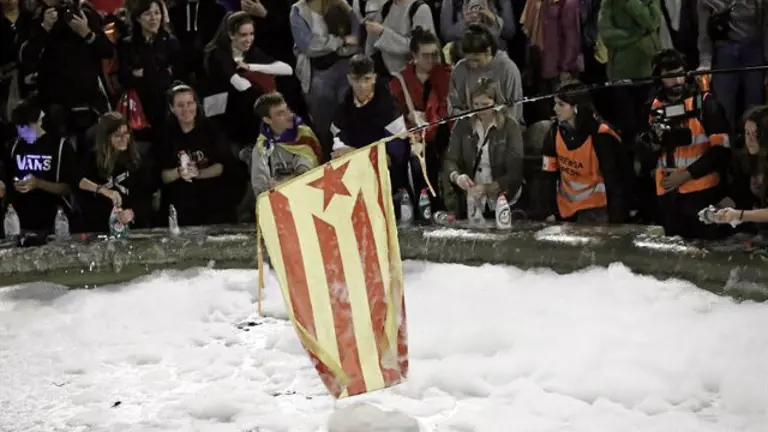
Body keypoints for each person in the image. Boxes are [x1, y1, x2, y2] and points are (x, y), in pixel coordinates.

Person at [645, 49, 731, 239]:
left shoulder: (706, 104)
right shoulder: (653, 107)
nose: (677, 81)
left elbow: (721, 153)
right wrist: (652, 144)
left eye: (680, 74)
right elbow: (645, 154)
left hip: (701, 192)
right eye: (670, 76)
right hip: (667, 194)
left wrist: (686, 174)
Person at [159, 82, 245, 226]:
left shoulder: (212, 129)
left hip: (212, 197)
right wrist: (180, 171)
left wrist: (198, 173)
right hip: (180, 200)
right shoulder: (165, 135)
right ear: (171, 108)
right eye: (180, 105)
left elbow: (223, 165)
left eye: (189, 103)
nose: (186, 109)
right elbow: (163, 176)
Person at [203, 11, 293, 145]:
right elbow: (241, 85)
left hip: (245, 110)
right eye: (243, 35)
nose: (249, 39)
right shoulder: (217, 53)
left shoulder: (252, 52)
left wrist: (251, 67)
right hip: (221, 110)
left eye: (251, 34)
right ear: (231, 35)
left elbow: (287, 70)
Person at [541, 82, 625, 223]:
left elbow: (615, 179)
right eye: (555, 103)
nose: (555, 109)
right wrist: (550, 211)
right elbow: (548, 175)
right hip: (565, 211)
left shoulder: (602, 135)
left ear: (576, 107)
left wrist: (616, 218)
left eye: (561, 104)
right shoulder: (554, 132)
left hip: (598, 211)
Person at [444, 78, 524, 220]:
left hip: (504, 201)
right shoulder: (462, 124)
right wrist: (457, 177)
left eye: (485, 105)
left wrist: (487, 188)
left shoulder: (510, 126)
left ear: (497, 103)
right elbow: (450, 160)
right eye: (475, 104)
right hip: (472, 202)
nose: (479, 110)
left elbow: (515, 172)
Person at [6, 96, 77, 232]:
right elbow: (8, 180)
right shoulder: (13, 147)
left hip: (55, 220)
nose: (21, 132)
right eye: (19, 127)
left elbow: (69, 188)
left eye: (26, 127)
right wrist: (13, 185)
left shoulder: (61, 146)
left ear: (38, 121)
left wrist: (38, 183)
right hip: (21, 222)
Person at [76, 112, 156, 232]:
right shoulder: (92, 158)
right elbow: (78, 181)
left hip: (132, 227)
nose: (124, 139)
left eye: (126, 134)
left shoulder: (138, 160)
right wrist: (104, 191)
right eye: (117, 135)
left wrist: (132, 213)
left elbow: (147, 197)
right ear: (106, 137)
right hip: (98, 226)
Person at [118, 0, 181, 135]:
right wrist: (157, 72)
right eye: (148, 14)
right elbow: (124, 78)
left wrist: (141, 73)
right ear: (138, 19)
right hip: (139, 106)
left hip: (165, 106)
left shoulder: (170, 42)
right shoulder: (127, 44)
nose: (154, 18)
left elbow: (176, 75)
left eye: (157, 13)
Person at [250, 91, 322, 198]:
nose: (289, 116)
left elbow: (309, 170)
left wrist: (285, 184)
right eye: (280, 114)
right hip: (279, 200)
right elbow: (259, 183)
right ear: (267, 119)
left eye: (287, 110)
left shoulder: (303, 135)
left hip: (309, 193)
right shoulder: (262, 145)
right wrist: (270, 192)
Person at [447, 24, 523, 122]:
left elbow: (514, 109)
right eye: (469, 60)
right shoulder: (460, 69)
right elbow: (454, 106)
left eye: (476, 60)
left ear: (488, 50)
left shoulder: (508, 69)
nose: (472, 65)